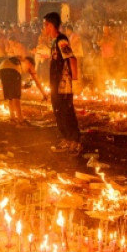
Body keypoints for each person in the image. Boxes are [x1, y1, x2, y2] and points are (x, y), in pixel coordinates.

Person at [43, 12, 82, 154]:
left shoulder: (61, 40)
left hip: (64, 84)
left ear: (51, 25)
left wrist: (75, 80)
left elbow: (72, 59)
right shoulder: (53, 42)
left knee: (66, 112)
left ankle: (75, 141)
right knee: (58, 112)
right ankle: (66, 138)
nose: (44, 28)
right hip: (55, 84)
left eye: (45, 25)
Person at [0, 55, 48, 124]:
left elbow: (14, 86)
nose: (28, 72)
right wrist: (44, 94)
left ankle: (12, 117)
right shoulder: (29, 65)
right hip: (12, 68)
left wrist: (23, 87)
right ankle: (20, 120)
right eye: (29, 70)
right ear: (30, 64)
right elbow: (37, 82)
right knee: (16, 97)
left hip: (2, 67)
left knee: (10, 96)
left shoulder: (20, 61)